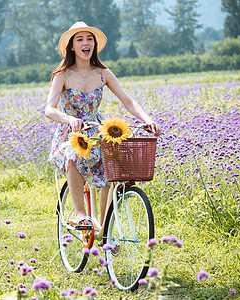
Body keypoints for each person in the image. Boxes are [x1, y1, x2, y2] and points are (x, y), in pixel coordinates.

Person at [45, 22, 161, 234]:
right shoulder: (63, 75)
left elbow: (128, 101)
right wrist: (69, 119)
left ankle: (105, 229)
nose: (85, 43)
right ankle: (81, 213)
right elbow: (49, 110)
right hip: (71, 134)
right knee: (73, 154)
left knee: (113, 167)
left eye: (89, 39)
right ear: (72, 46)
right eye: (79, 39)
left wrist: (148, 118)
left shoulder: (103, 73)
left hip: (98, 130)